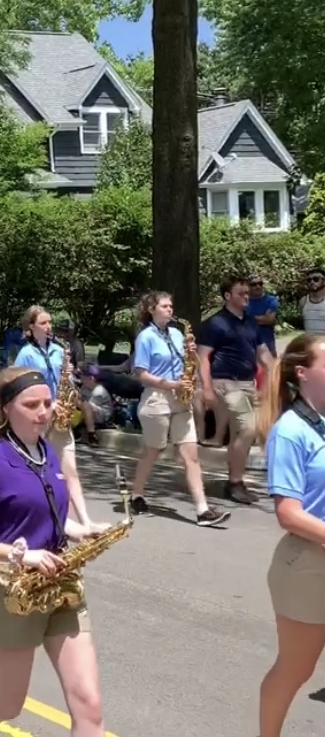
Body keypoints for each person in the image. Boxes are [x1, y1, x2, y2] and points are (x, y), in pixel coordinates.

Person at [0, 366, 106, 736]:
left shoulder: (46, 452)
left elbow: (53, 518)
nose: (44, 412)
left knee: (89, 704)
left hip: (61, 586)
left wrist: (81, 530)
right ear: (7, 408)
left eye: (48, 403)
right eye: (32, 404)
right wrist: (21, 555)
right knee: (9, 703)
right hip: (13, 590)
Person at [255, 333, 325, 735]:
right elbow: (289, 514)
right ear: (303, 373)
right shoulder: (290, 431)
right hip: (308, 566)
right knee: (295, 669)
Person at [128, 291, 230, 526]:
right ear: (151, 309)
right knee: (154, 451)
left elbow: (191, 362)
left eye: (171, 306)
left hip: (180, 399)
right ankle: (137, 494)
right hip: (157, 399)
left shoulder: (176, 333)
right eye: (164, 306)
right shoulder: (146, 337)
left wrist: (192, 352)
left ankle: (202, 509)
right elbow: (140, 373)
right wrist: (170, 383)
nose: (170, 310)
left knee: (191, 456)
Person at [14, 305, 105, 532]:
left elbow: (65, 381)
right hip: (39, 416)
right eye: (43, 323)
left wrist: (69, 379)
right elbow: (20, 386)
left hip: (60, 414)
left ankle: (86, 521)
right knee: (38, 471)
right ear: (31, 327)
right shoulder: (26, 353)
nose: (49, 327)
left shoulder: (58, 349)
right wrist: (45, 403)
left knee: (70, 470)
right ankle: (41, 518)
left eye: (50, 322)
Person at [197, 276, 274, 505]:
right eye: (241, 293)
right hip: (226, 385)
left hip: (249, 384)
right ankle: (235, 482)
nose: (246, 296)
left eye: (247, 293)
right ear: (227, 296)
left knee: (244, 433)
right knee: (248, 429)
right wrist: (208, 389)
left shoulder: (251, 322)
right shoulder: (215, 323)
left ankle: (234, 479)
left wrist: (275, 375)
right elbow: (202, 357)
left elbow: (264, 354)